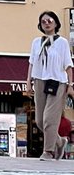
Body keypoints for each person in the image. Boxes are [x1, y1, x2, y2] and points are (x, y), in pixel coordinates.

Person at [25, 10, 74, 162]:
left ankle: (48, 151)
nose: (46, 23)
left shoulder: (62, 42)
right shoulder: (36, 42)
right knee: (39, 120)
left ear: (56, 23)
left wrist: (70, 85)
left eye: (49, 20)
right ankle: (60, 142)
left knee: (49, 120)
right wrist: (28, 82)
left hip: (57, 82)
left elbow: (68, 65)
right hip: (40, 81)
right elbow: (31, 63)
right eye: (43, 21)